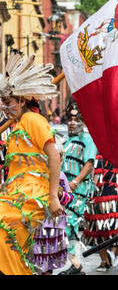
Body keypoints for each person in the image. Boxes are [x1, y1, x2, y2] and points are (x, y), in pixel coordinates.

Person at [0, 51, 63, 275]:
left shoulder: (33, 120)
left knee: (3, 227)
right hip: (13, 193)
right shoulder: (16, 126)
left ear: (22, 100)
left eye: (7, 101)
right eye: (2, 102)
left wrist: (53, 196)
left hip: (32, 196)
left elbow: (54, 156)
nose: (4, 107)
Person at [58, 102, 97, 275]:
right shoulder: (66, 141)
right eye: (70, 119)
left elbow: (89, 163)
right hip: (64, 193)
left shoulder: (88, 139)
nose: (72, 123)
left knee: (70, 225)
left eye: (77, 119)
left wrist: (75, 183)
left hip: (77, 192)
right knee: (65, 227)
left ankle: (76, 265)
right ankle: (75, 264)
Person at [82, 154, 118, 273]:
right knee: (99, 229)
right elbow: (89, 164)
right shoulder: (96, 149)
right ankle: (104, 260)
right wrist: (76, 181)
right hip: (99, 196)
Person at [32, 137, 74, 274]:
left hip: (55, 224)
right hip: (38, 222)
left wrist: (61, 196)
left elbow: (70, 197)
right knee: (36, 255)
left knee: (50, 255)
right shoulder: (37, 175)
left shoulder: (61, 176)